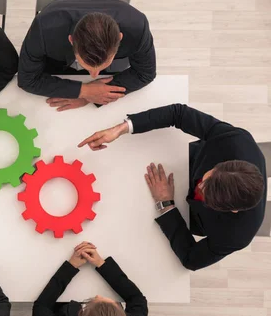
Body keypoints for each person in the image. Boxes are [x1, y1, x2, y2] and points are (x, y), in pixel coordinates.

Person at [78, 104, 267, 270]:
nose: (199, 183)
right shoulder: (236, 140)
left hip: (192, 216)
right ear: (224, 164)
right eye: (208, 176)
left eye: (205, 190)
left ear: (232, 210)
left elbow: (190, 260)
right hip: (187, 159)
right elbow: (179, 114)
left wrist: (166, 203)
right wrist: (121, 129)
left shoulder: (236, 235)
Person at [18, 0, 156, 111]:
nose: (93, 76)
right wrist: (85, 91)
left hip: (113, 70)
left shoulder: (138, 27)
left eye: (101, 66)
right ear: (71, 40)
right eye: (88, 66)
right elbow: (27, 79)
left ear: (119, 38)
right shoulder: (43, 29)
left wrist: (94, 95)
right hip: (57, 62)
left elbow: (145, 73)